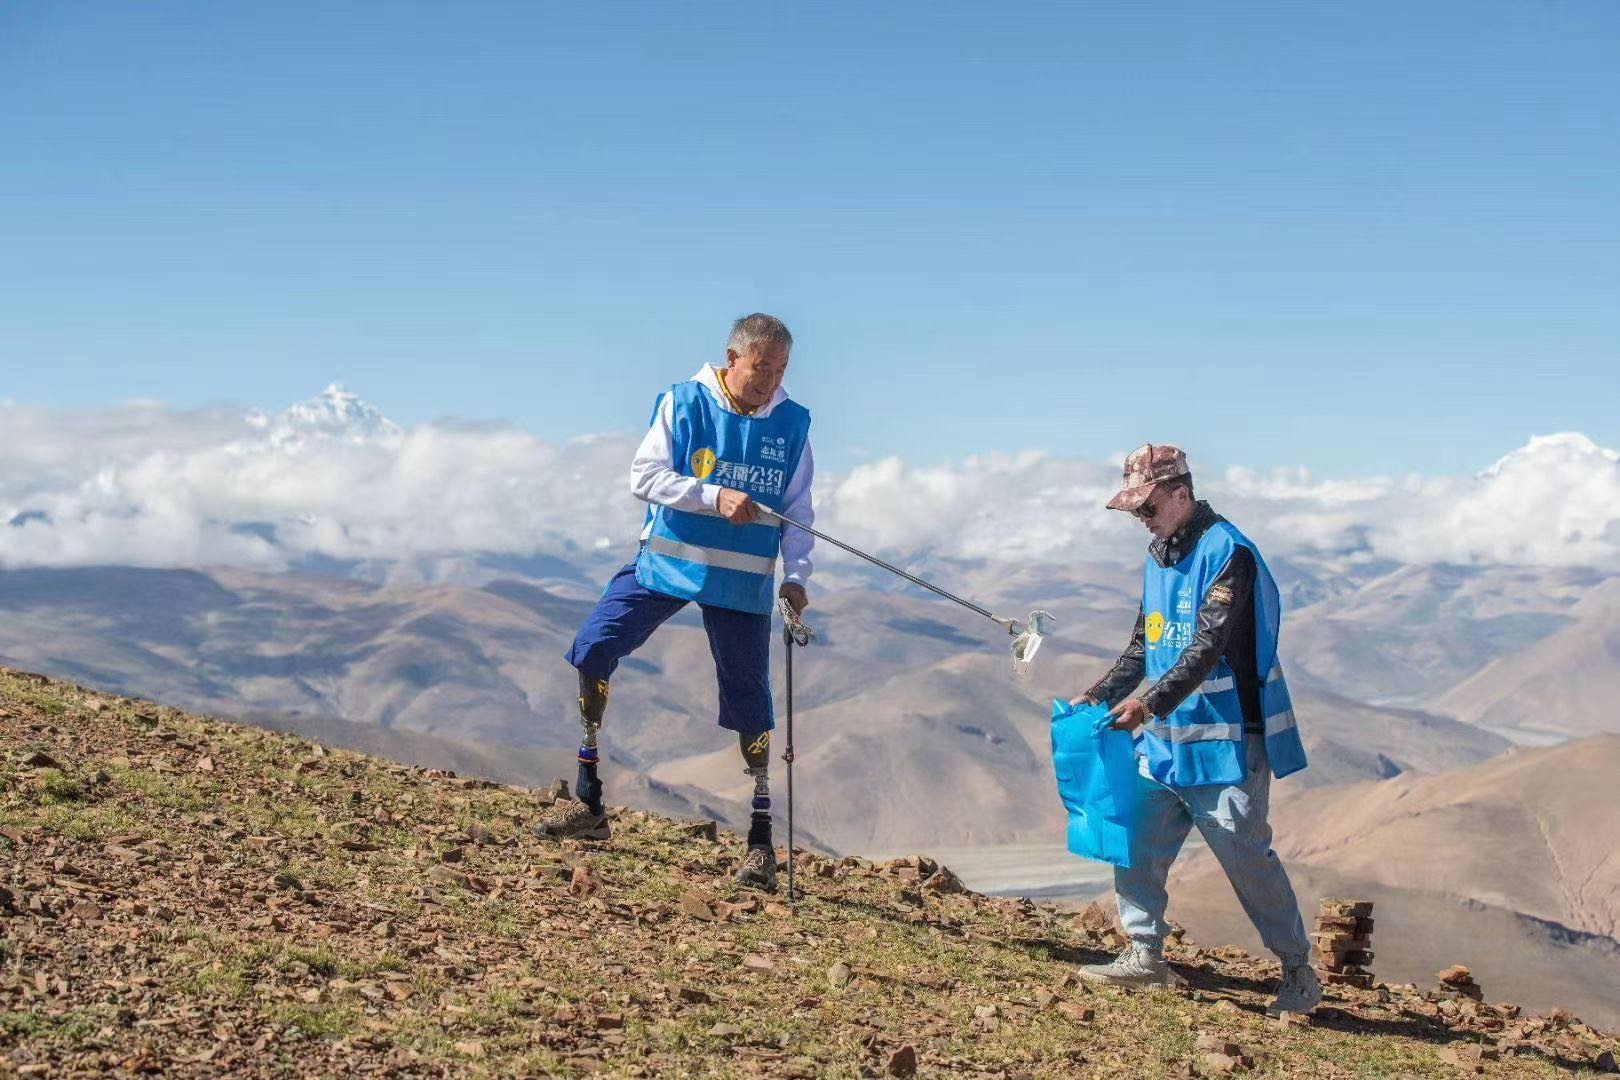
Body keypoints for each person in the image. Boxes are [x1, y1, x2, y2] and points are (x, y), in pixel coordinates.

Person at [535, 313, 813, 893]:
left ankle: (760, 846)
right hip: (667, 563)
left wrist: (798, 576)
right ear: (731, 358)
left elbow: (798, 511)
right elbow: (645, 476)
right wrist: (713, 496)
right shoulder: (684, 404)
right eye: (761, 369)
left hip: (742, 582)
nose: (770, 381)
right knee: (593, 646)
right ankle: (589, 801)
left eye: (781, 370)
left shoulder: (792, 424)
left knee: (748, 698)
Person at [1072, 444, 1321, 1017]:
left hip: (1226, 743)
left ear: (1181, 494)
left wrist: (1148, 704)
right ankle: (1144, 953)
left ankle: (1298, 972)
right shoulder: (1158, 556)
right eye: (1134, 510)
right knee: (1135, 837)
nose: (1142, 519)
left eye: (1149, 506)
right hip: (1164, 741)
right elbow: (1145, 644)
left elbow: (1207, 647)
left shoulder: (1228, 553)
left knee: (1245, 854)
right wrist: (1099, 694)